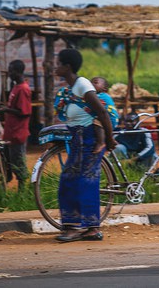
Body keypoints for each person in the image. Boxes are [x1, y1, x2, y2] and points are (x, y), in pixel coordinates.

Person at [53, 48, 116, 242]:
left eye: (59, 63)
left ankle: (90, 228)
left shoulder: (82, 84)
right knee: (68, 181)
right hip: (77, 140)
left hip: (90, 140)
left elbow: (102, 113)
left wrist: (109, 139)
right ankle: (72, 225)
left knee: (85, 182)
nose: (56, 66)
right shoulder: (69, 89)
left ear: (67, 67)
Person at [0, 60, 31, 191]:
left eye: (11, 71)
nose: (9, 74)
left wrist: (6, 110)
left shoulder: (23, 89)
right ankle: (4, 188)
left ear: (18, 72)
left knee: (18, 163)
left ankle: (22, 191)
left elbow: (24, 112)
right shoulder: (16, 87)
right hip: (10, 132)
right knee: (7, 161)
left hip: (18, 133)